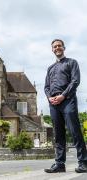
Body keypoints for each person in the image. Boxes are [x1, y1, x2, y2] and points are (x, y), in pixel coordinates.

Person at [44, 39, 87, 173]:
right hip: (54, 103)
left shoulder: (72, 63)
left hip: (68, 100)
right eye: (55, 46)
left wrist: (63, 95)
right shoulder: (50, 68)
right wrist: (50, 98)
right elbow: (46, 87)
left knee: (74, 130)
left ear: (64, 47)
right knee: (58, 133)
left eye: (59, 46)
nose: (57, 48)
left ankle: (84, 163)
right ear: (52, 50)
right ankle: (60, 164)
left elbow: (75, 81)